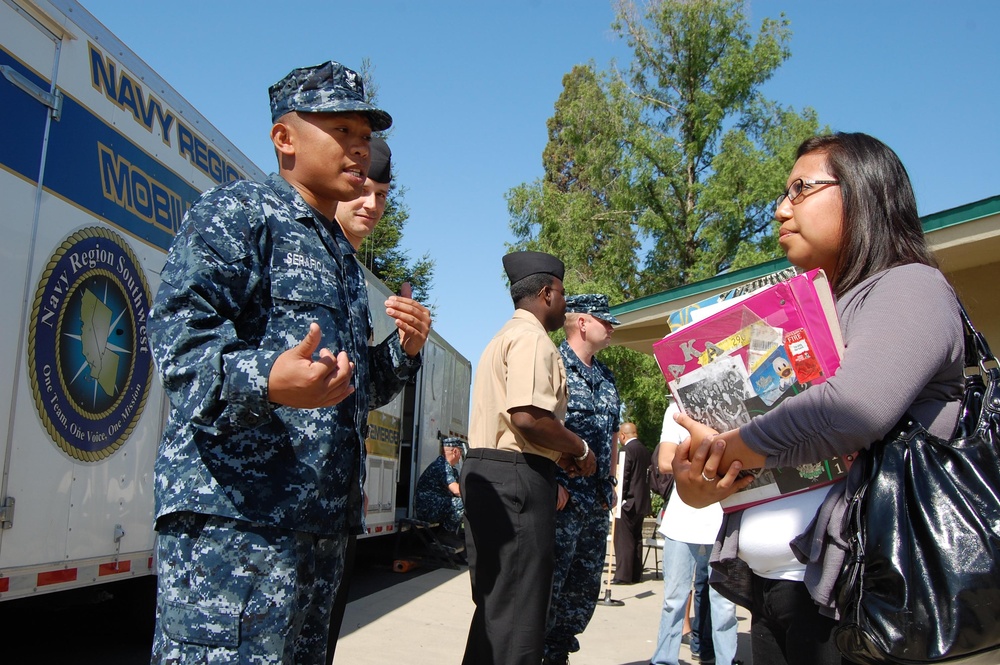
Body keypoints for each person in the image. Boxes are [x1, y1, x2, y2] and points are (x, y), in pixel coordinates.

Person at [147, 61, 431, 664]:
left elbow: (345, 389)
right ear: (285, 138)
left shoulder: (341, 258)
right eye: (343, 129)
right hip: (236, 526)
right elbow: (179, 348)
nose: (362, 148)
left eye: (366, 134)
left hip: (319, 530)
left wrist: (401, 354)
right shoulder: (239, 216)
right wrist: (268, 381)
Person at [671, 132, 964, 665]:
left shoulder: (910, 287)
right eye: (783, 195)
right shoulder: (806, 312)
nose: (782, 209)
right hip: (776, 593)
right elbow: (739, 470)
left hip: (861, 604)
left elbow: (853, 407)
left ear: (863, 193)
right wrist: (700, 483)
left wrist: (730, 447)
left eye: (801, 189)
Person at [461, 251, 597, 665]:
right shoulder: (533, 339)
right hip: (516, 481)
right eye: (562, 293)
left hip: (493, 473)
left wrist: (557, 455)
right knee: (520, 618)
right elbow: (528, 417)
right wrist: (580, 449)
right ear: (547, 292)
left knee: (496, 611)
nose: (565, 302)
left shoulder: (502, 337)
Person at [543, 294, 623, 665]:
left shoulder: (606, 377)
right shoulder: (552, 363)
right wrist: (550, 481)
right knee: (548, 587)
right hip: (560, 501)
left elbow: (611, 436)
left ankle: (559, 654)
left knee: (582, 590)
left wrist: (609, 483)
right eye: (604, 321)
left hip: (594, 503)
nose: (610, 328)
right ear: (582, 323)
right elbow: (536, 428)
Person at [651, 402, 739, 665]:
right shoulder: (676, 410)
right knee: (674, 600)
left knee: (724, 604)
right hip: (682, 519)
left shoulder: (731, 404)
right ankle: (664, 660)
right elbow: (665, 462)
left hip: (723, 519)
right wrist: (706, 440)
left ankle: (726, 660)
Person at [611, 421, 652, 585]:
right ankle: (636, 573)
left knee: (624, 539)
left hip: (627, 502)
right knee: (636, 538)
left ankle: (623, 575)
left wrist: (617, 498)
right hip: (641, 501)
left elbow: (623, 475)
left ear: (622, 435)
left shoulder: (626, 450)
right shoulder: (644, 450)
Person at [414, 436, 467, 534]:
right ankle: (445, 535)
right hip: (427, 509)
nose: (460, 456)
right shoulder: (442, 466)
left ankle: (448, 534)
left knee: (462, 502)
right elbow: (456, 490)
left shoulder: (449, 467)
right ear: (455, 451)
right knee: (463, 503)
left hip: (434, 506)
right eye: (460, 452)